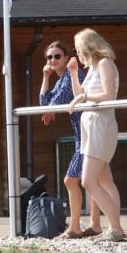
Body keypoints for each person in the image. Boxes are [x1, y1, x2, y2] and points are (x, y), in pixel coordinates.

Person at [39, 40, 102, 238]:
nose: (53, 60)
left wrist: (50, 110)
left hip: (88, 134)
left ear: (66, 58)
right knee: (94, 180)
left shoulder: (70, 78)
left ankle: (75, 227)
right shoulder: (60, 80)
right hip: (82, 134)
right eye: (49, 57)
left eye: (57, 56)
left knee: (71, 180)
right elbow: (44, 103)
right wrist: (45, 76)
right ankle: (95, 224)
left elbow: (54, 105)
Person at [67, 28, 124, 242]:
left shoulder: (105, 64)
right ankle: (113, 227)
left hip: (101, 124)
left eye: (78, 47)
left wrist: (84, 98)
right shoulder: (91, 68)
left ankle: (116, 228)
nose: (77, 52)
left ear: (88, 46)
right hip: (90, 125)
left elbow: (108, 95)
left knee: (88, 181)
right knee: (104, 180)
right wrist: (73, 73)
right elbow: (79, 95)